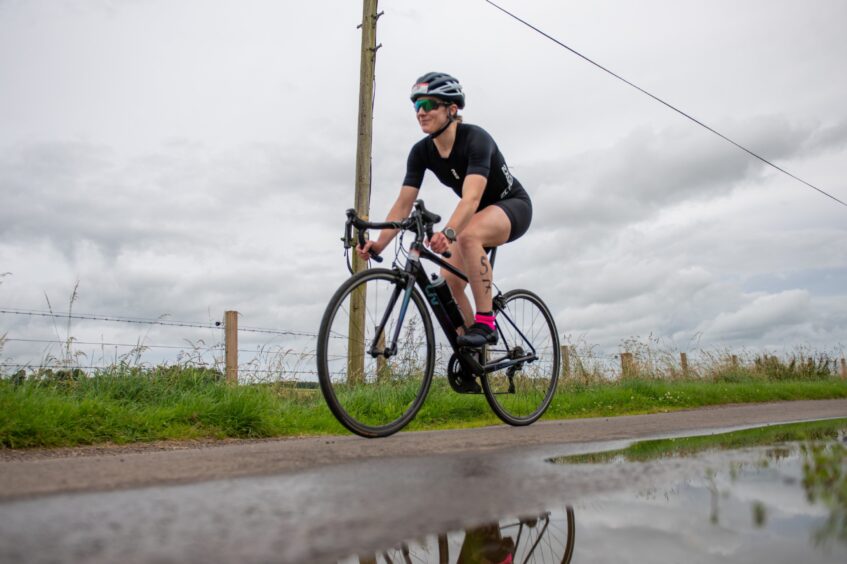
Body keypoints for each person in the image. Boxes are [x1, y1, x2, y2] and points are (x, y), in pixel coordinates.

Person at [357, 72, 532, 348]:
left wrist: (449, 233)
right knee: (448, 284)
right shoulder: (420, 152)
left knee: (468, 235)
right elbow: (403, 205)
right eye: (417, 106)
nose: (421, 112)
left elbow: (471, 199)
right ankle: (472, 356)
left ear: (452, 109)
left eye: (429, 105)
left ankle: (486, 323)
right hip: (476, 215)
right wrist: (380, 243)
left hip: (511, 206)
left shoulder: (476, 139)